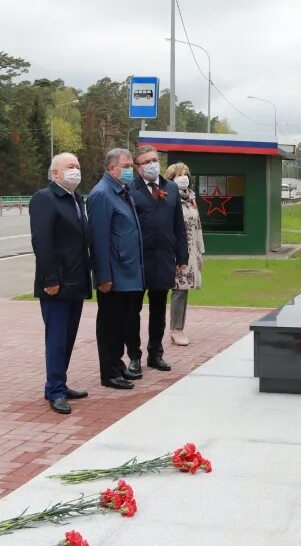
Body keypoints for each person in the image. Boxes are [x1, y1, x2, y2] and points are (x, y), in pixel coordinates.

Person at [28, 152, 91, 414]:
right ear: (55, 174)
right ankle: (54, 390)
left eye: (77, 165)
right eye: (69, 166)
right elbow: (42, 242)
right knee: (56, 338)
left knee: (68, 338)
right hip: (57, 283)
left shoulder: (77, 199)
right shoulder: (45, 199)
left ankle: (59, 383)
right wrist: (50, 279)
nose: (75, 170)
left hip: (76, 281)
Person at [127, 145, 188, 373]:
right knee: (133, 310)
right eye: (146, 162)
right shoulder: (130, 190)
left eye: (154, 159)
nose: (152, 164)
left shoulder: (170, 188)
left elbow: (178, 225)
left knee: (159, 308)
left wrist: (182, 255)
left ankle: (156, 353)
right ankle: (134, 356)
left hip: (163, 258)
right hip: (139, 261)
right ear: (138, 167)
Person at [87, 147, 144, 390]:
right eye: (127, 165)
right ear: (112, 168)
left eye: (131, 165)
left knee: (121, 323)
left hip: (128, 272)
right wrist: (104, 276)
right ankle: (108, 372)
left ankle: (117, 364)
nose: (131, 169)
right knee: (110, 325)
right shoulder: (101, 194)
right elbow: (98, 240)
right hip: (114, 274)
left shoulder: (121, 191)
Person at [164, 162, 205, 346]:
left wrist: (200, 252)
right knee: (179, 289)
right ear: (171, 178)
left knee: (185, 288)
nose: (183, 177)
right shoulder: (168, 199)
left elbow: (197, 227)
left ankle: (179, 327)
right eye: (179, 175)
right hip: (177, 251)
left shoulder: (191, 199)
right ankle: (176, 329)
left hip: (192, 251)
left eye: (186, 174)